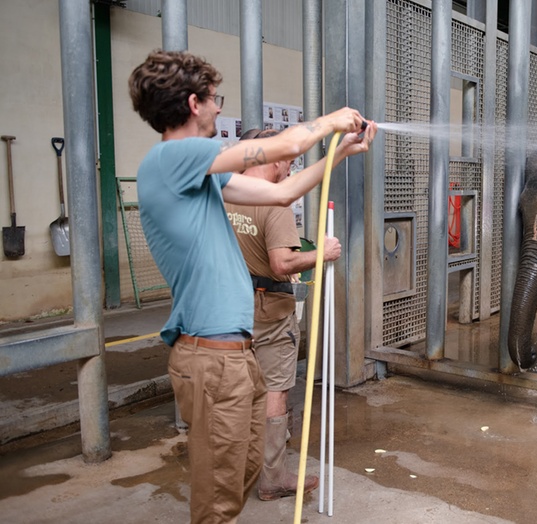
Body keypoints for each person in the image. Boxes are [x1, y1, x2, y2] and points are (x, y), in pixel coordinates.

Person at [128, 49, 376, 523]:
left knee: (241, 472)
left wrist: (338, 153)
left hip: (234, 354)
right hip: (211, 356)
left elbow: (283, 190)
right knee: (218, 499)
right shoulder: (171, 158)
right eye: (216, 99)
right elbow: (281, 149)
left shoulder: (200, 178)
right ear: (194, 102)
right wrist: (330, 120)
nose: (221, 109)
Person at [225, 128, 344, 501]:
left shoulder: (225, 192)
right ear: (273, 158)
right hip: (269, 312)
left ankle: (230, 475)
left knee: (232, 393)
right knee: (274, 389)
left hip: (228, 307)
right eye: (289, 160)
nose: (289, 168)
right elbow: (282, 263)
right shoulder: (273, 205)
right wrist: (322, 253)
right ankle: (272, 476)